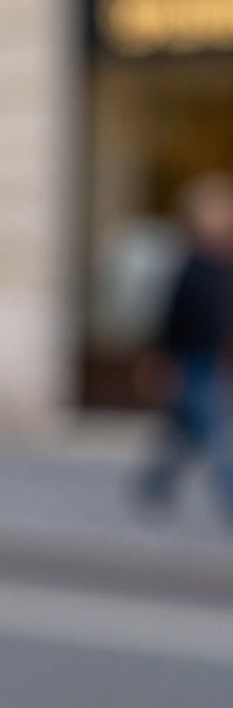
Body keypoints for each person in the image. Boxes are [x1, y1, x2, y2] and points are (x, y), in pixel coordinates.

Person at [137, 173, 233, 521]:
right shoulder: (191, 265)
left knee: (182, 437)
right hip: (194, 360)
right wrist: (162, 360)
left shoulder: (222, 264)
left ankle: (153, 485)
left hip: (215, 361)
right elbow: (172, 317)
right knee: (219, 436)